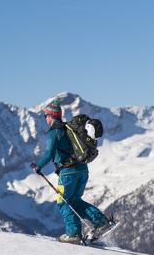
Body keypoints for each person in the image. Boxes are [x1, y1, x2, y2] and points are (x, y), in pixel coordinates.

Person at [30, 100, 111, 244]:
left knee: (63, 202)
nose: (45, 118)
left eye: (45, 116)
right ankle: (102, 222)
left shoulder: (54, 132)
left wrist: (38, 166)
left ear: (51, 116)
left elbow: (49, 154)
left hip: (68, 173)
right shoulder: (70, 129)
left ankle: (73, 234)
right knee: (75, 201)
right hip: (82, 170)